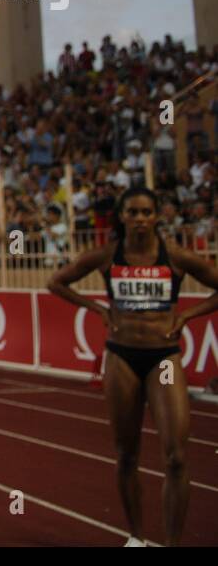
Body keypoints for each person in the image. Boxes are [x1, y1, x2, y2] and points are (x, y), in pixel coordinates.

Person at [48, 186, 218, 546]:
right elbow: (56, 282)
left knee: (175, 456)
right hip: (121, 356)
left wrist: (188, 315)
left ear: (158, 216)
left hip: (164, 357)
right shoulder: (108, 256)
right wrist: (96, 308)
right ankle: (136, 538)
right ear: (122, 217)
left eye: (146, 213)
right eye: (133, 213)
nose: (140, 219)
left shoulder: (175, 256)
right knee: (126, 454)